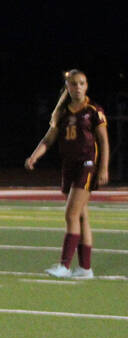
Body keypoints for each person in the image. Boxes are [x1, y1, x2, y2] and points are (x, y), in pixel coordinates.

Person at [24, 68, 110, 279]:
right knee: (81, 217)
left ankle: (64, 265)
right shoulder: (62, 113)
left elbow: (104, 141)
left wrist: (104, 167)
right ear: (68, 87)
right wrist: (35, 156)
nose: (78, 87)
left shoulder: (93, 110)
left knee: (70, 214)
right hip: (69, 167)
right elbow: (48, 139)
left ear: (86, 86)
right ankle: (85, 269)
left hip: (86, 165)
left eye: (81, 83)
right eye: (74, 84)